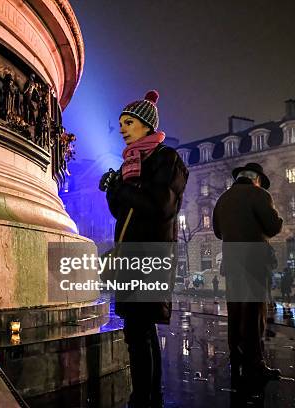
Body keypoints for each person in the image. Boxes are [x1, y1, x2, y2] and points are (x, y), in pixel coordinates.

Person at [99, 90, 188, 407]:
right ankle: (149, 396)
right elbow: (121, 213)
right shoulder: (130, 163)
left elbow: (161, 205)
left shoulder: (167, 159)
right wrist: (113, 190)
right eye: (121, 123)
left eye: (129, 122)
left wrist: (123, 189)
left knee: (140, 332)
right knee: (138, 331)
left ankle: (143, 398)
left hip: (150, 255)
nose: (122, 128)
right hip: (129, 255)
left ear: (147, 126)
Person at [213, 162, 283, 386]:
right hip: (254, 262)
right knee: (254, 315)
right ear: (257, 179)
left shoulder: (223, 199)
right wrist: (277, 218)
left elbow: (217, 231)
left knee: (235, 312)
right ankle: (255, 365)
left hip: (232, 263)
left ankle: (237, 359)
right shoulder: (259, 194)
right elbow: (272, 227)